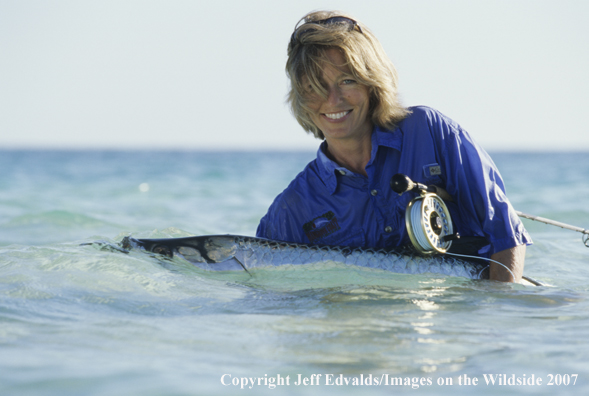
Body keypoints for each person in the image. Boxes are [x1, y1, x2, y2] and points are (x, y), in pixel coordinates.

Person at [256, 10, 532, 283]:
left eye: (347, 81)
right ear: (301, 97)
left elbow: (505, 234)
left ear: (372, 84)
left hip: (460, 324)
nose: (333, 99)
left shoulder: (430, 131)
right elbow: (268, 294)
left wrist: (498, 316)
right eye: (315, 86)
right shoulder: (290, 210)